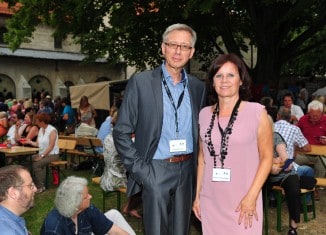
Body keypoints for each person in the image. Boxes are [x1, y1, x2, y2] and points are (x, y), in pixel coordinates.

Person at [113, 23, 206, 235]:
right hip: (155, 168)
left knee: (181, 231)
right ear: (163, 48)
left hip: (187, 171)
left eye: (184, 46)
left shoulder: (197, 87)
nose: (178, 51)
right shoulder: (141, 82)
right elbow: (121, 132)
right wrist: (143, 172)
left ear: (191, 52)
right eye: (173, 44)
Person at [192, 53, 273, 234]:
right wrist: (197, 196)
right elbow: (202, 158)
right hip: (211, 200)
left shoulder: (257, 112)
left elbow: (267, 158)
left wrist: (251, 196)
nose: (224, 80)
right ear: (212, 81)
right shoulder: (204, 115)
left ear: (241, 80)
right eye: (218, 75)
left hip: (243, 200)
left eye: (231, 75)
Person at [41, 176, 135, 235]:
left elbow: (114, 230)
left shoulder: (88, 209)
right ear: (75, 203)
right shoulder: (54, 228)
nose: (91, 196)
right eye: (86, 196)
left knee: (114, 214)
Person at [269, 131, 301, 235]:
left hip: (283, 173)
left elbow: (285, 158)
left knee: (294, 189)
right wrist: (272, 160)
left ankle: (293, 227)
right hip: (262, 174)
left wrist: (284, 163)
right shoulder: (252, 138)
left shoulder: (275, 136)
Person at [25, 113, 60, 193]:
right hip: (42, 153)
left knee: (36, 164)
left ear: (42, 122)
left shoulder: (52, 130)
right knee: (27, 160)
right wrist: (30, 142)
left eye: (37, 121)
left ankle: (41, 186)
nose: (36, 123)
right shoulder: (41, 129)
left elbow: (51, 146)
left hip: (53, 154)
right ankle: (31, 182)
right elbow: (38, 144)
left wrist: (42, 156)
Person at [0, 165, 37, 234]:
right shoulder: (8, 231)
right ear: (13, 193)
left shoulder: (8, 217)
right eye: (30, 185)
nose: (35, 189)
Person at [296, 100, 326, 178]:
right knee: (292, 161)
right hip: (304, 153)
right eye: (312, 115)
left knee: (321, 167)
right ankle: (295, 183)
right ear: (309, 113)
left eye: (317, 115)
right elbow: (295, 134)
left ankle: (318, 186)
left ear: (322, 113)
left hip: (321, 154)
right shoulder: (303, 119)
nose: (315, 117)